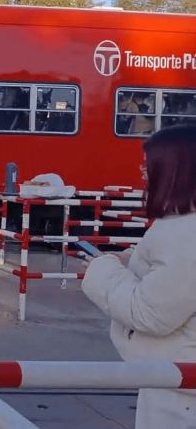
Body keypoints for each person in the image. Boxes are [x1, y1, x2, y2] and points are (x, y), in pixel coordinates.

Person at [82, 124, 196, 428]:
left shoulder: (187, 233)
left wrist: (102, 269)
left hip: (180, 393)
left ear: (175, 171)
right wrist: (133, 260)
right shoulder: (183, 228)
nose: (143, 173)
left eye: (150, 166)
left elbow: (150, 313)